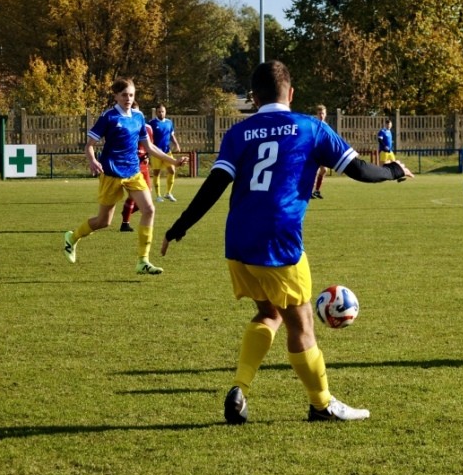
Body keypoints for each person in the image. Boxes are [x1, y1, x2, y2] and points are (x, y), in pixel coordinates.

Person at [161, 61, 414, 424]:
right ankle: (321, 403)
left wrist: (179, 227)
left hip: (238, 240)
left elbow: (213, 187)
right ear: (291, 93)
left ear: (253, 97)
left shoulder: (239, 132)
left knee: (269, 313)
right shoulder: (310, 127)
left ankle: (240, 387)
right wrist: (393, 171)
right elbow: (357, 169)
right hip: (279, 240)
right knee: (302, 324)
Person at [62, 80, 186, 275]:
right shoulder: (108, 117)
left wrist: (173, 162)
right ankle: (72, 237)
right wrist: (93, 161)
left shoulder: (138, 117)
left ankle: (143, 261)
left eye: (131, 95)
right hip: (111, 173)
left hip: (133, 171)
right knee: (104, 222)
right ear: (116, 96)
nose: (128, 99)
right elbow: (89, 145)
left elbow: (149, 147)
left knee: (149, 209)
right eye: (124, 95)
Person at [120, 115, 154, 232]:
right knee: (133, 196)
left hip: (144, 166)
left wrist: (148, 156)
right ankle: (125, 223)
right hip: (132, 166)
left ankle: (126, 212)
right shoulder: (125, 127)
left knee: (147, 197)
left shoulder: (148, 128)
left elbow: (150, 146)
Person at [148, 103, 182, 202]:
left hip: (167, 151)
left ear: (165, 112)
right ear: (156, 112)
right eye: (159, 112)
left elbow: (171, 135)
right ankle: (158, 196)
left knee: (172, 171)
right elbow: (147, 137)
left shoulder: (169, 122)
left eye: (162, 111)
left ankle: (168, 193)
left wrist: (177, 144)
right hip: (156, 152)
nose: (161, 113)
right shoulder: (151, 123)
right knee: (156, 173)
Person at [311, 104, 329, 199]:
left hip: (322, 152)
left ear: (325, 114)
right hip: (314, 151)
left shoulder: (326, 126)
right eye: (319, 113)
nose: (321, 115)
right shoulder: (314, 125)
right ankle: (310, 191)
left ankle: (317, 191)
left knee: (324, 170)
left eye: (323, 113)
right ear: (316, 115)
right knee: (315, 171)